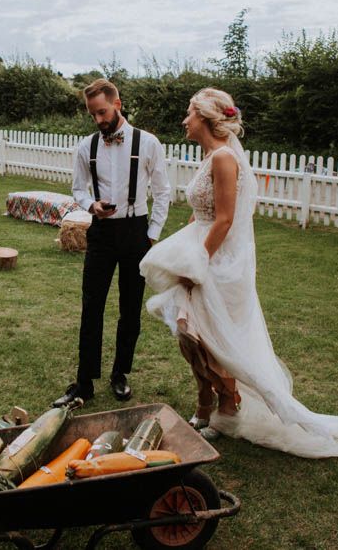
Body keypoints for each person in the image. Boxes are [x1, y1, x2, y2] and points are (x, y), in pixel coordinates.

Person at [140, 88, 338, 456]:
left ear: (205, 117)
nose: (185, 120)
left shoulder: (225, 158)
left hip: (218, 262)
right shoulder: (209, 155)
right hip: (202, 249)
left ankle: (225, 404)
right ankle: (210, 403)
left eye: (189, 113)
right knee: (191, 337)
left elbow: (227, 219)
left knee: (207, 338)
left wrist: (194, 264)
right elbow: (208, 209)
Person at [53, 79, 170, 407]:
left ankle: (120, 374)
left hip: (136, 232)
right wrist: (92, 206)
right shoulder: (85, 147)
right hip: (101, 232)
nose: (99, 120)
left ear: (117, 104)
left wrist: (152, 234)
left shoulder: (148, 143)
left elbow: (162, 191)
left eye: (102, 112)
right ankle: (84, 382)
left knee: (130, 308)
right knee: (92, 306)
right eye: (93, 115)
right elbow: (78, 189)